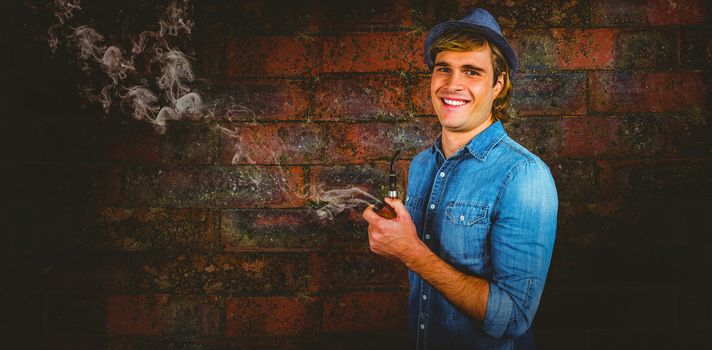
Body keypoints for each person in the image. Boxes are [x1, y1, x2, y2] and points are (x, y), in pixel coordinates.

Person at [362, 8, 558, 350]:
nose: (453, 84)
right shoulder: (422, 164)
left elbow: (513, 317)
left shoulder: (524, 176)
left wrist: (411, 252)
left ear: (498, 84)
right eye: (444, 69)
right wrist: (395, 237)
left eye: (472, 71)